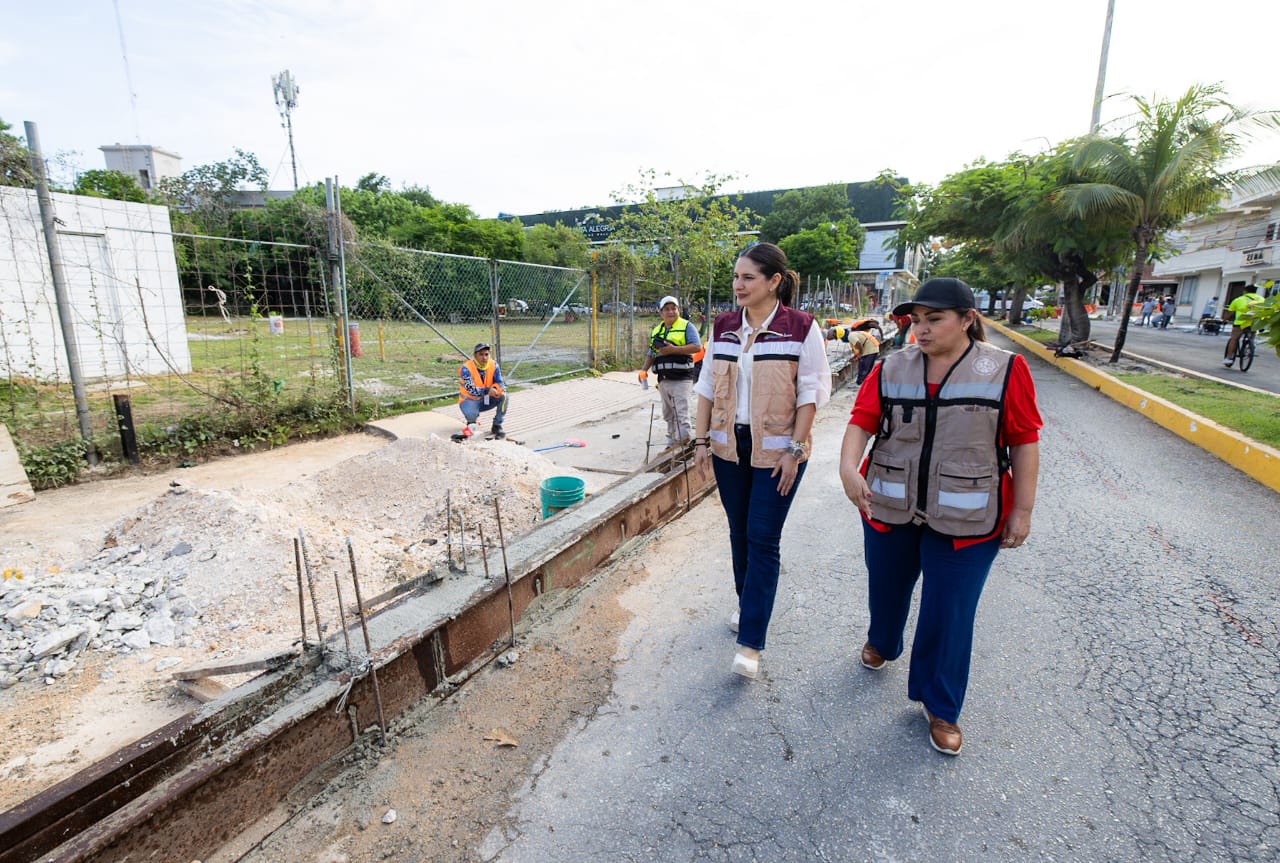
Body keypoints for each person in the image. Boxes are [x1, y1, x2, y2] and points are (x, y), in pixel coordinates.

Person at [838, 277, 1042, 756]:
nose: (922, 330)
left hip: (969, 517)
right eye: (916, 320)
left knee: (950, 613)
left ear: (968, 320)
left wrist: (1023, 511)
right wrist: (848, 468)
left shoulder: (1005, 370)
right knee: (885, 589)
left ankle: (941, 705)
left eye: (935, 319)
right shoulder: (892, 366)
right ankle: (883, 641)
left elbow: (1024, 441)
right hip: (889, 505)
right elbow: (862, 422)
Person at [693, 243, 832, 680]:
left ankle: (751, 640)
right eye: (735, 277)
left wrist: (795, 449)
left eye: (748, 277)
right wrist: (700, 443)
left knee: (762, 538)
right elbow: (705, 387)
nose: (738, 285)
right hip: (729, 449)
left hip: (779, 452)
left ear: (774, 281)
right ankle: (747, 602)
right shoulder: (724, 326)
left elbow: (811, 392)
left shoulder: (801, 328)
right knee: (739, 533)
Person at [638, 296, 702, 448]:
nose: (671, 311)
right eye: (667, 309)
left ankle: (683, 445)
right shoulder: (657, 330)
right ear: (661, 312)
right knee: (668, 414)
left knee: (681, 413)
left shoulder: (687, 326)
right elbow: (651, 353)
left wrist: (675, 350)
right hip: (664, 379)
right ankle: (671, 443)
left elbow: (697, 347)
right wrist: (644, 370)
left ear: (678, 310)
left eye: (674, 308)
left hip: (681, 379)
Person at [454, 343, 508, 440]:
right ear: (475, 355)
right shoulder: (466, 368)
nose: (484, 357)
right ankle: (471, 423)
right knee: (472, 421)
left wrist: (497, 390)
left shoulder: (494, 365)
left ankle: (497, 426)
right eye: (481, 354)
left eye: (486, 354)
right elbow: (471, 389)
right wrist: (487, 390)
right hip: (469, 401)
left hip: (485, 400)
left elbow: (500, 383)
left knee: (504, 397)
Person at [1223, 288, 1264, 367]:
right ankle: (1250, 348)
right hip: (1254, 323)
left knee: (1234, 339)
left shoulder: (1238, 299)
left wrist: (1224, 320)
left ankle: (1229, 358)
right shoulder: (1262, 300)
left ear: (1245, 291)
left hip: (1240, 323)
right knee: (1251, 338)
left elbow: (1230, 312)